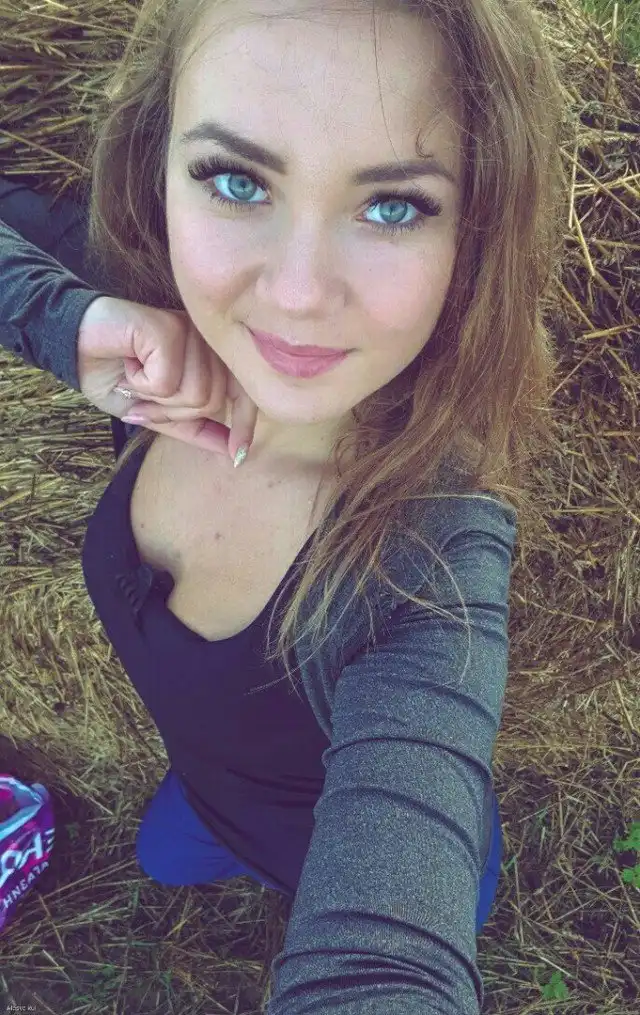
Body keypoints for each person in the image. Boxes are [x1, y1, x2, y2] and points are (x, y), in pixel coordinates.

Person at [0, 0, 567, 1011]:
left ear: (476, 229)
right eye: (236, 180)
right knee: (167, 855)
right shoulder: (155, 317)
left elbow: (385, 971)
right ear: (157, 166)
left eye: (393, 206)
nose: (298, 294)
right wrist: (63, 321)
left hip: (342, 835)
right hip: (208, 793)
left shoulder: (435, 561)